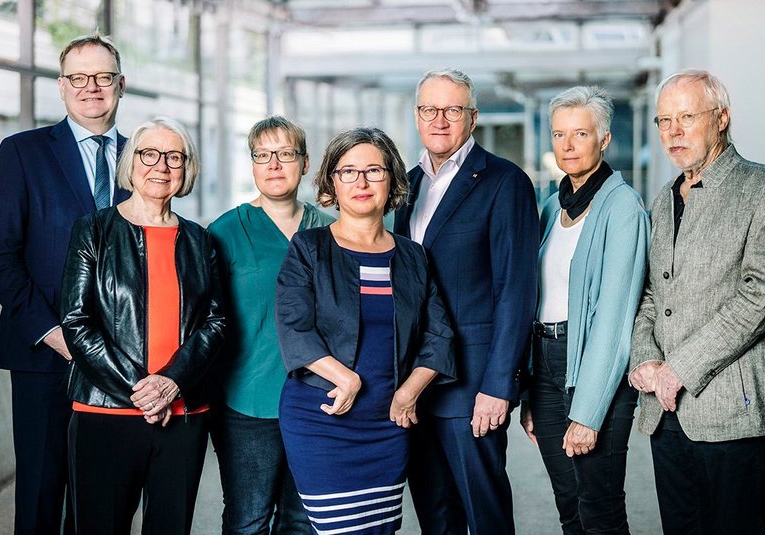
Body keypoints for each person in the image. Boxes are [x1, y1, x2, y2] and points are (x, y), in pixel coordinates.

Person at [629, 69, 765, 534]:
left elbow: (760, 297)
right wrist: (645, 357)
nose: (673, 132)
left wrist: (679, 369)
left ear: (721, 118)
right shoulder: (663, 199)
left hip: (733, 411)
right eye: (664, 121)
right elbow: (650, 292)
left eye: (687, 117)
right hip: (665, 412)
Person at [0, 33, 128, 535]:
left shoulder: (143, 160)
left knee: (105, 498)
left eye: (103, 77)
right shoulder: (23, 153)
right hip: (47, 354)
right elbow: (0, 258)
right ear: (62, 88)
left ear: (120, 86)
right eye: (79, 78)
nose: (92, 88)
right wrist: (51, 332)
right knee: (43, 493)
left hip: (121, 360)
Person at [276, 127, 456, 534]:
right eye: (348, 171)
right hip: (322, 419)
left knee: (380, 529)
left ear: (391, 180)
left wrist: (410, 391)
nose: (361, 182)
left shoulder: (412, 255)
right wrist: (347, 379)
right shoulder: (309, 248)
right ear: (331, 183)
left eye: (374, 171)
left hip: (389, 424)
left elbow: (439, 334)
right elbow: (293, 326)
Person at [60, 117, 226, 534]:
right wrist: (142, 392)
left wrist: (172, 382)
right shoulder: (94, 229)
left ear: (187, 169)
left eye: (174, 157)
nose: (161, 166)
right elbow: (77, 322)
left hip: (184, 413)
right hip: (106, 409)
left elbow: (217, 321)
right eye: (149, 154)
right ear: (131, 164)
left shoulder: (200, 240)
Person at [394, 68, 539, 534]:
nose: (439, 120)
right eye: (429, 109)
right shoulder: (404, 186)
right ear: (417, 116)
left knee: (484, 511)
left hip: (472, 384)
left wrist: (499, 385)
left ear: (472, 117)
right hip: (414, 382)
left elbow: (516, 291)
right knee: (435, 514)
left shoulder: (503, 181)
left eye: (452, 109)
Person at [519, 86, 649, 534]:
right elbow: (538, 300)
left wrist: (589, 412)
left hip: (593, 369)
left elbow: (614, 322)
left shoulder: (623, 208)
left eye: (580, 134)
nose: (568, 145)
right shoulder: (553, 205)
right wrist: (532, 392)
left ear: (605, 139)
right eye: (559, 135)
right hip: (548, 364)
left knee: (600, 507)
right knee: (568, 505)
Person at [208, 116, 331, 534]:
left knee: (304, 520)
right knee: (249, 519)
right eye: (263, 155)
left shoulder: (331, 230)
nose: (274, 164)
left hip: (319, 399)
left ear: (305, 162)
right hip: (248, 399)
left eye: (285, 154)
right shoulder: (224, 231)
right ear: (253, 164)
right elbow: (208, 320)